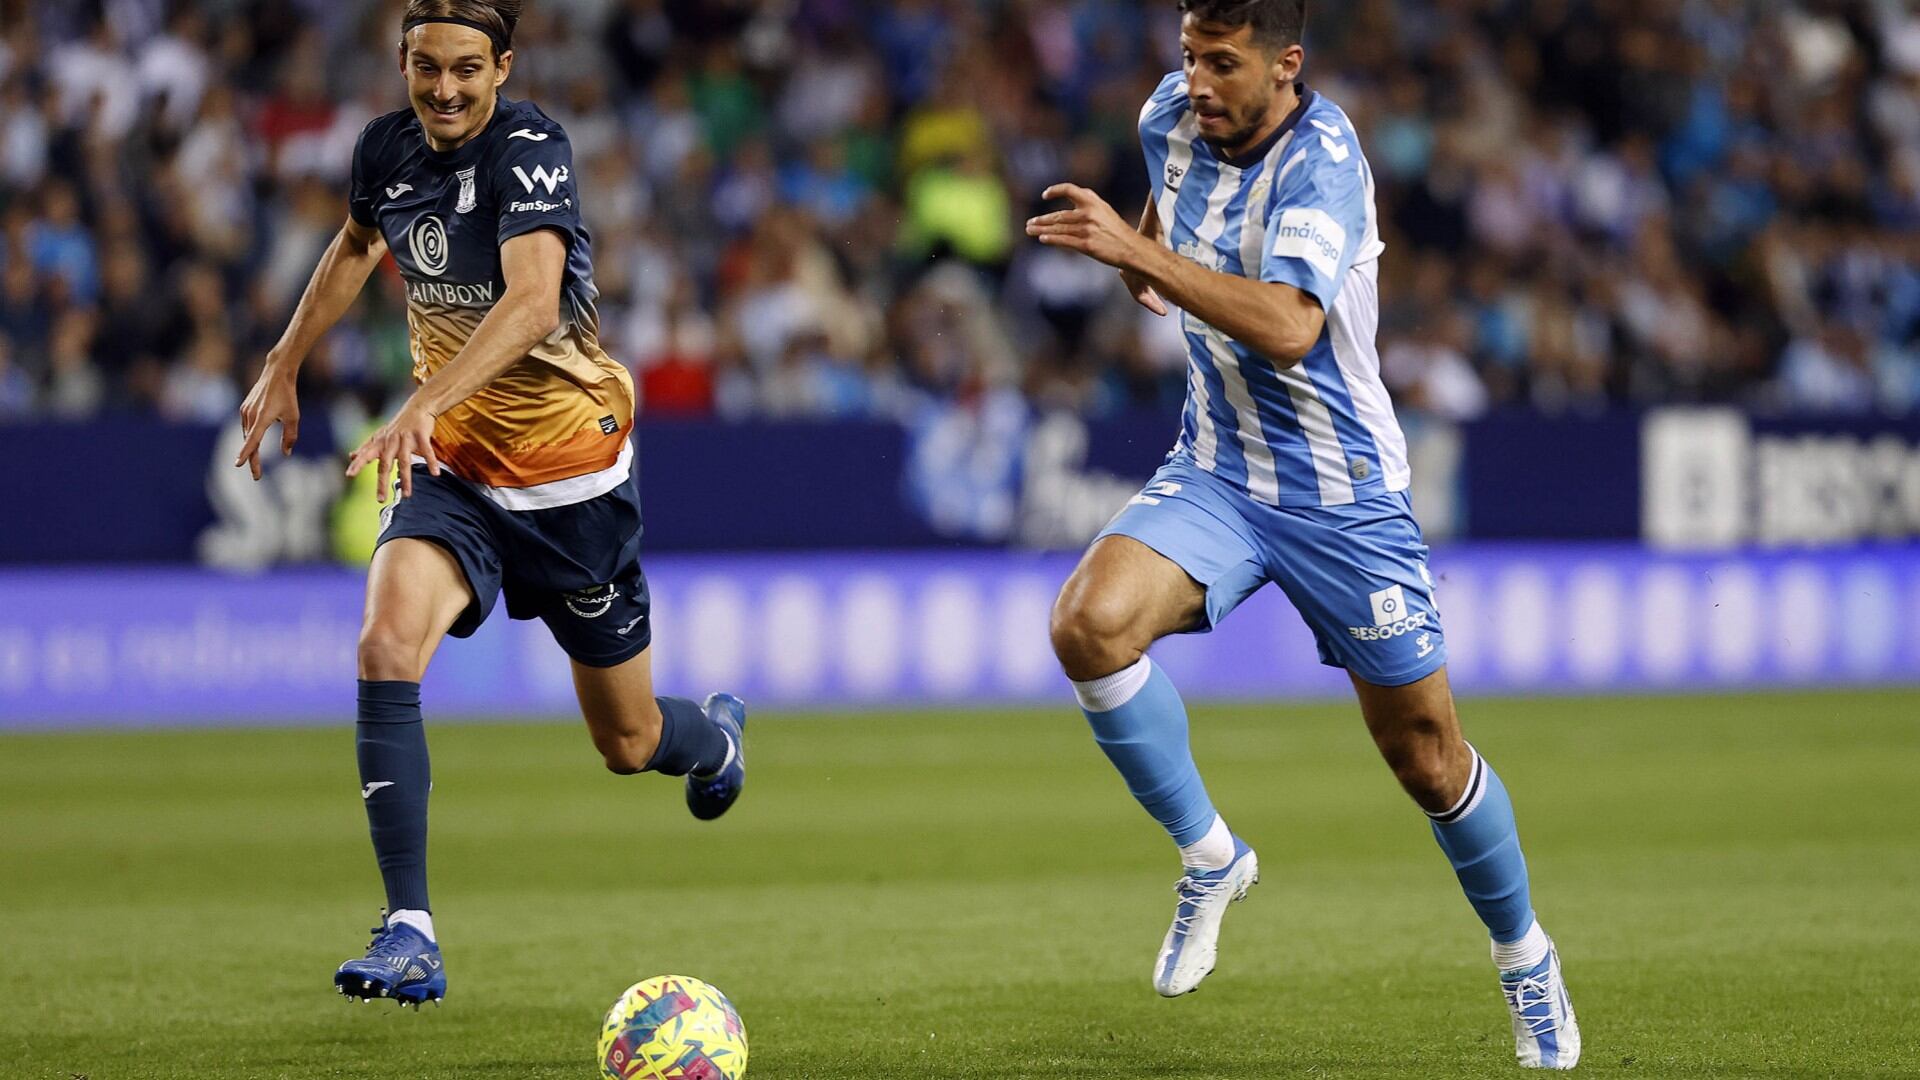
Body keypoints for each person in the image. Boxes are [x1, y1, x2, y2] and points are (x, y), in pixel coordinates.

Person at [1025, 0, 1579, 1069]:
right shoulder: (1168, 118)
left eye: (1221, 62)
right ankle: (1210, 857)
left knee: (1424, 756)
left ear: (1286, 63)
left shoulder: (1326, 161)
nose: (1197, 80)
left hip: (1344, 497)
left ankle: (1527, 960)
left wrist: (1141, 258)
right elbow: (1162, 246)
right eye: (1188, 56)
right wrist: (1134, 256)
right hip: (1219, 470)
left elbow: (1289, 327)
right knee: (1088, 626)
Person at [233, 0, 747, 1008]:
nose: (446, 89)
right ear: (403, 62)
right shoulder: (385, 148)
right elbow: (352, 248)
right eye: (427, 67)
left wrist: (418, 399)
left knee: (629, 742)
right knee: (384, 647)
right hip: (456, 467)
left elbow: (533, 301)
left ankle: (717, 739)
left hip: (571, 484)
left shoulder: (530, 149)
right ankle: (410, 930)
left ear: (503, 66)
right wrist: (285, 360)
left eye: (468, 68)